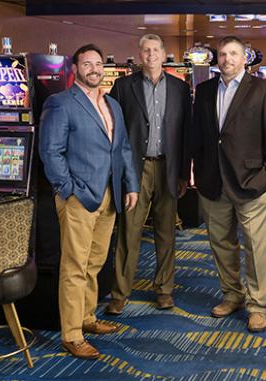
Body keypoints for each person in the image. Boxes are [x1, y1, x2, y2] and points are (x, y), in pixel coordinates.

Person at [39, 43, 139, 359]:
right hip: (79, 197)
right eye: (87, 63)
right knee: (74, 266)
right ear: (76, 68)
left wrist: (131, 185)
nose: (94, 68)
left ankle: (87, 317)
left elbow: (122, 149)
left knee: (95, 263)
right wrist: (68, 189)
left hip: (109, 194)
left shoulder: (112, 104)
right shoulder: (61, 103)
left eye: (98, 63)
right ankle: (71, 334)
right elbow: (50, 152)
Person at [190, 35, 266, 333]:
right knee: (221, 244)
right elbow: (200, 137)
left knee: (257, 248)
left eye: (233, 54)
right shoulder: (204, 90)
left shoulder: (263, 89)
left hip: (252, 183)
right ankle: (231, 294)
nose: (227, 59)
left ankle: (257, 306)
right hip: (213, 182)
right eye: (222, 54)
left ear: (245, 58)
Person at [105, 34, 192, 315]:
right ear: (140, 55)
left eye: (156, 50)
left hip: (168, 167)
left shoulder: (180, 88)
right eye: (146, 50)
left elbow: (184, 135)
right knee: (129, 232)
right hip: (135, 169)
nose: (151, 55)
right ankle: (120, 292)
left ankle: (164, 290)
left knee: (166, 233)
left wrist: (183, 173)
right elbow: (115, 132)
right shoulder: (122, 86)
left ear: (164, 54)